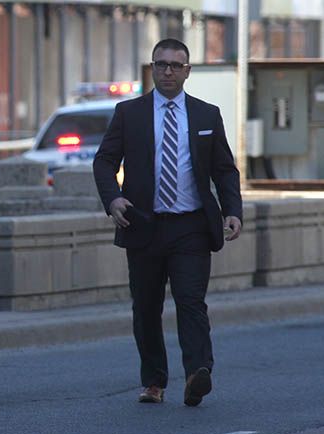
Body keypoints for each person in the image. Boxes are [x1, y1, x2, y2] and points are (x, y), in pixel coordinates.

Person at [93, 38, 243, 407]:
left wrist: (233, 210)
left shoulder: (207, 115)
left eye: (176, 66)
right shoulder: (130, 113)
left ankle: (197, 373)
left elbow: (225, 170)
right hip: (143, 225)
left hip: (191, 226)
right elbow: (103, 161)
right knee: (146, 307)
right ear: (153, 68)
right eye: (161, 64)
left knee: (191, 301)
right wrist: (113, 198)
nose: (168, 71)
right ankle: (154, 381)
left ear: (188, 71)